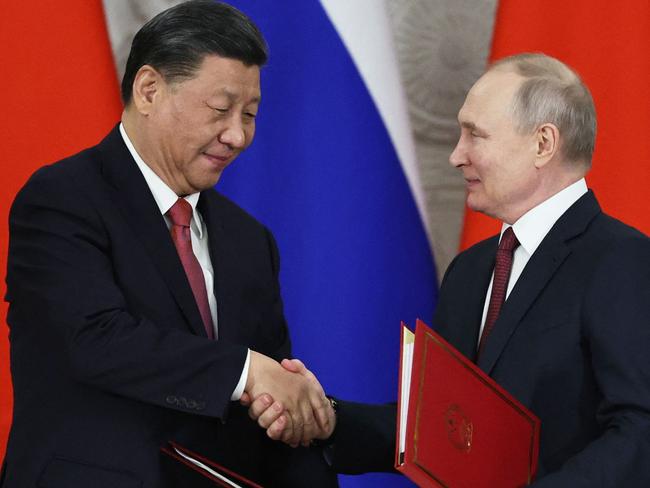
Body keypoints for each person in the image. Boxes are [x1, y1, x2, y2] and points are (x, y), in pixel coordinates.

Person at [246, 53, 650, 486]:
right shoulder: (471, 270)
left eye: (475, 135)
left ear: (543, 144)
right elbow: (439, 431)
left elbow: (639, 430)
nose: (457, 155)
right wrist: (327, 419)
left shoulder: (622, 260)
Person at [1, 2, 337, 487]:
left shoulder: (250, 240)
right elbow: (93, 339)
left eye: (250, 114)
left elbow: (266, 397)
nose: (237, 135)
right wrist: (247, 372)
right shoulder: (61, 198)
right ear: (149, 90)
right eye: (221, 110)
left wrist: (296, 409)